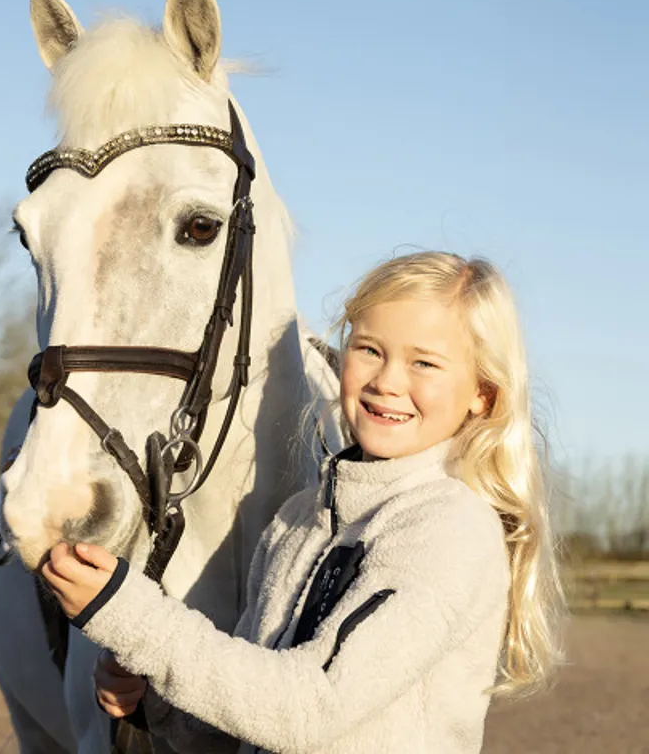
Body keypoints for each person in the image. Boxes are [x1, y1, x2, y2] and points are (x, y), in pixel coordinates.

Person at [43, 251, 565, 753]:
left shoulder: (449, 529)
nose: (386, 381)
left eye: (424, 362)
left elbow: (312, 707)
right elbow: (243, 729)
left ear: (483, 394)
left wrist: (131, 617)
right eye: (369, 349)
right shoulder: (299, 518)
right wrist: (152, 702)